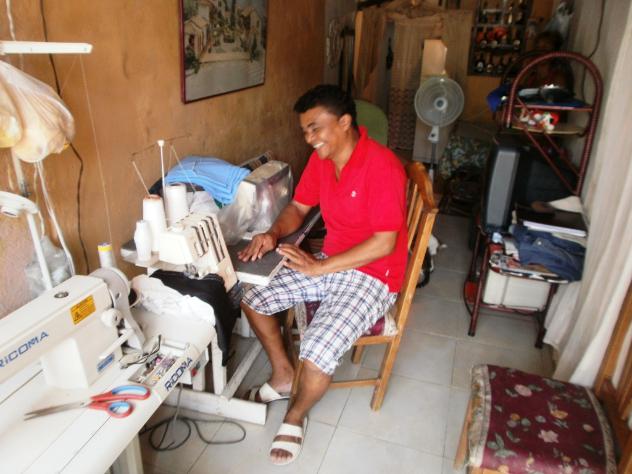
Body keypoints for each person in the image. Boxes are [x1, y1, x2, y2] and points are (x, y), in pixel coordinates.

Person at [238, 84, 408, 465]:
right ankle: (284, 375)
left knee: (317, 349)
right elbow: (299, 207)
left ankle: (295, 415)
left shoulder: (382, 166)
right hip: (331, 261)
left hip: (373, 274)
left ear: (345, 122)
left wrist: (318, 266)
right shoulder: (322, 160)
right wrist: (272, 233)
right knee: (252, 296)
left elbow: (385, 243)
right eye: (305, 130)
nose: (309, 138)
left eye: (315, 127)